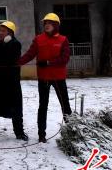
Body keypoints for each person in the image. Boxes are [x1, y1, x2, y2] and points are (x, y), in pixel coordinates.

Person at [18, 12, 72, 143]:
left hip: (58, 78)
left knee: (65, 106)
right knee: (43, 106)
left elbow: (65, 59)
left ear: (56, 25)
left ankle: (72, 131)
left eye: (50, 23)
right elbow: (29, 54)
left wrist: (48, 63)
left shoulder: (63, 40)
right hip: (43, 79)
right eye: (45, 23)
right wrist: (16, 62)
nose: (47, 25)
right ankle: (41, 134)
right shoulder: (38, 39)